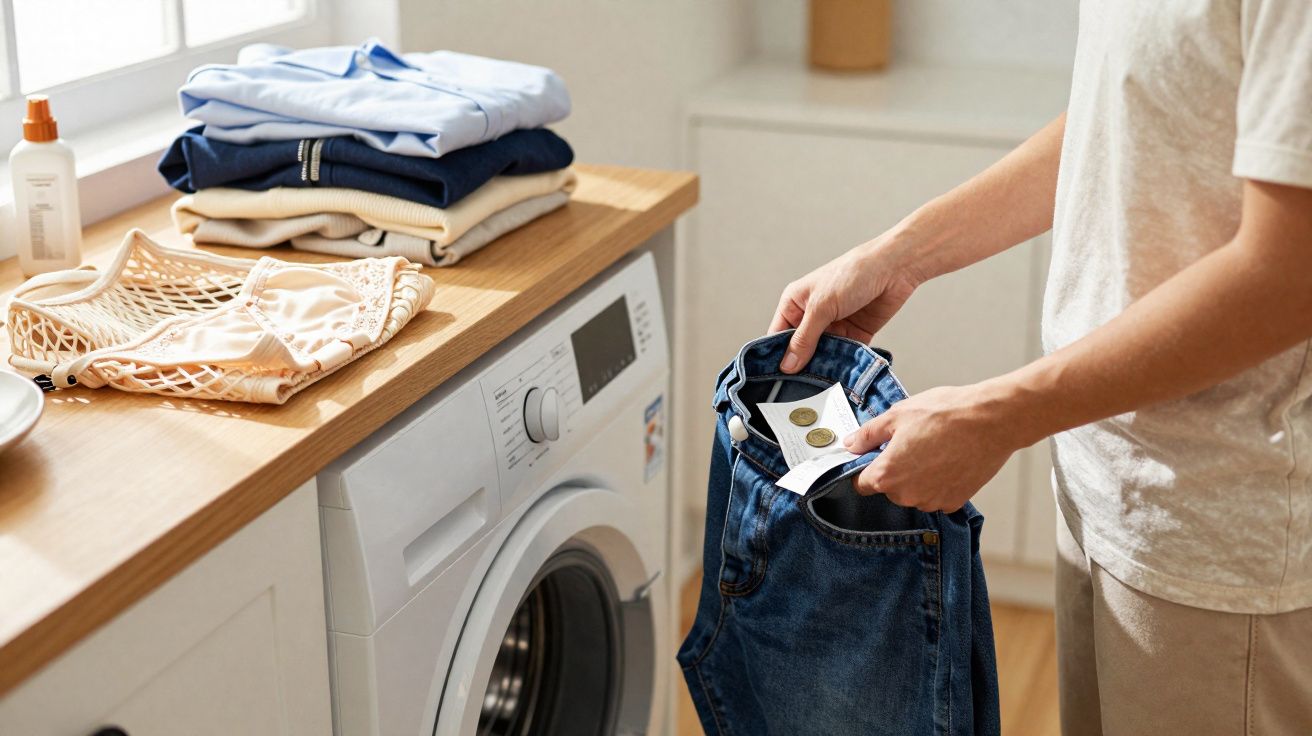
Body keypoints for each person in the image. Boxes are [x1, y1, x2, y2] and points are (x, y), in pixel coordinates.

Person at [768, 3, 1312, 734]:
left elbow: (1288, 278)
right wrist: (898, 255)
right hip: (1100, 475)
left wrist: (999, 416)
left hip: (1216, 526)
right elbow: (1123, 116)